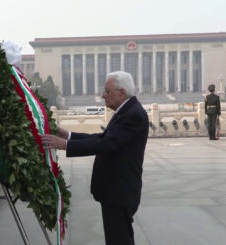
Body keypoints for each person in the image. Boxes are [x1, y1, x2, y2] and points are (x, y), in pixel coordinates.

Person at [41, 71, 149, 245]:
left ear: (121, 93)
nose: (103, 95)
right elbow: (103, 138)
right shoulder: (126, 111)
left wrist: (64, 145)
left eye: (107, 91)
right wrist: (68, 136)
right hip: (115, 191)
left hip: (119, 191)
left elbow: (106, 144)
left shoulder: (133, 115)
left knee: (119, 239)